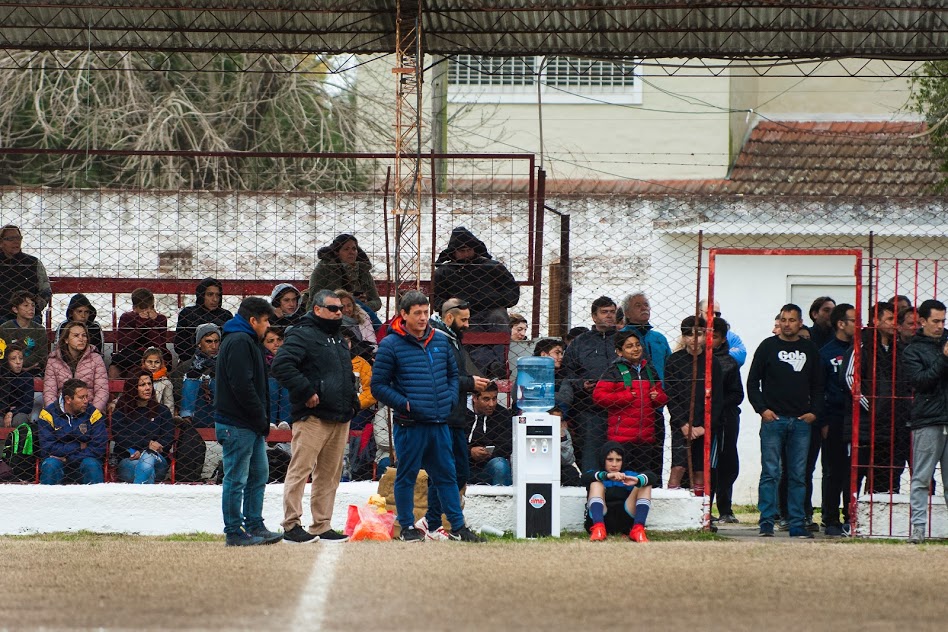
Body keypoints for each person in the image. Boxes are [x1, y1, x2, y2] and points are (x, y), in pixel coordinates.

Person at [370, 290, 483, 543]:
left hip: (440, 422)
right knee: (407, 475)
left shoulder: (440, 341)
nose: (423, 318)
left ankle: (457, 527)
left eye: (426, 312)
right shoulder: (390, 344)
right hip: (410, 424)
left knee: (447, 476)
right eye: (417, 313)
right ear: (403, 314)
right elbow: (378, 386)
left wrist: (449, 400)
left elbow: (452, 376)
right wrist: (406, 405)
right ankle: (407, 527)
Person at [271, 289, 358, 544]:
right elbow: (281, 365)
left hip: (339, 415)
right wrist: (306, 391)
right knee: (301, 469)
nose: (339, 312)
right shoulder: (302, 333)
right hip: (312, 417)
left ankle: (322, 525)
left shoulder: (338, 337)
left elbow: (344, 372)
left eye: (340, 308)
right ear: (317, 309)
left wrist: (352, 402)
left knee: (329, 475)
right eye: (333, 308)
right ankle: (291, 525)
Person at [748, 303, 824, 538]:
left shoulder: (810, 349)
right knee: (770, 473)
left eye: (792, 320)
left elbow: (819, 384)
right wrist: (762, 410)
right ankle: (766, 523)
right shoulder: (767, 347)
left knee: (798, 475)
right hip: (774, 421)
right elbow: (752, 382)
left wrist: (814, 412)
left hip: (801, 422)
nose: (787, 324)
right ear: (779, 322)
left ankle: (796, 523)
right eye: (784, 319)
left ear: (800, 323)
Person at [419, 297, 490, 539]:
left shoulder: (452, 339)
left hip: (456, 416)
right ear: (449, 317)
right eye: (464, 320)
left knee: (459, 472)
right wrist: (470, 383)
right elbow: (437, 379)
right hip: (443, 416)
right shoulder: (437, 340)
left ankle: (431, 521)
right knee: (447, 471)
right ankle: (433, 523)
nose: (468, 325)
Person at [214, 297, 282, 547]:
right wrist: (260, 417)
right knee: (237, 478)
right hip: (238, 423)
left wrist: (259, 420)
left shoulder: (246, 340)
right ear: (253, 320)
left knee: (258, 474)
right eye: (265, 321)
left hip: (248, 423)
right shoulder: (240, 341)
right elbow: (242, 385)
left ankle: (254, 525)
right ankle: (234, 531)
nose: (268, 326)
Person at [843, 302, 909, 496]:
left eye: (895, 319)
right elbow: (850, 378)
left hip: (892, 425)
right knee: (857, 473)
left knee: (886, 475)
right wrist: (870, 405)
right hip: (865, 424)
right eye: (889, 319)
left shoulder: (898, 349)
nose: (893, 323)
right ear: (875, 320)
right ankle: (850, 511)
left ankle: (882, 510)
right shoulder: (862, 346)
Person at [591, 329, 668, 486]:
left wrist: (658, 397)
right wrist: (624, 397)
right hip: (621, 436)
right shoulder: (613, 371)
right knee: (622, 477)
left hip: (646, 435)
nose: (635, 349)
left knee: (642, 476)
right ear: (619, 351)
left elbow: (662, 396)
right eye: (629, 346)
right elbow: (598, 396)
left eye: (637, 345)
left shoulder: (649, 370)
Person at [900, 299, 948, 544]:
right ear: (922, 321)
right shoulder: (912, 350)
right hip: (928, 419)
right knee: (921, 478)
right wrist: (944, 358)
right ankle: (918, 529)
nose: (940, 326)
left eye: (943, 321)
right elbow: (921, 382)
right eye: (935, 321)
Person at [664, 316, 725, 493]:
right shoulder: (674, 361)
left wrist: (705, 426)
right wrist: (683, 424)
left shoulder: (713, 362)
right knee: (678, 467)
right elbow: (671, 396)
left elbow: (717, 398)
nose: (693, 339)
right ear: (683, 337)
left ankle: (699, 505)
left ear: (706, 335)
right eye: (688, 334)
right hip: (681, 425)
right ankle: (672, 501)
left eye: (698, 334)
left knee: (700, 470)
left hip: (704, 426)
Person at [561, 296, 619, 471]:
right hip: (589, 407)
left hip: (621, 407)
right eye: (604, 312)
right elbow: (567, 370)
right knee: (591, 454)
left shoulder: (624, 340)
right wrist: (581, 384)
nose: (609, 315)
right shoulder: (580, 342)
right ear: (594, 316)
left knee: (619, 454)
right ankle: (592, 484)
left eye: (612, 312)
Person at [432, 226, 519, 330]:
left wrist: (491, 300)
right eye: (462, 251)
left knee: (498, 316)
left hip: (490, 313)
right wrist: (454, 306)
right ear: (454, 252)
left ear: (475, 249)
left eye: (469, 250)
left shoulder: (493, 267)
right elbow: (436, 300)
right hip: (459, 314)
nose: (466, 254)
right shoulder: (444, 272)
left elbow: (512, 292)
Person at [821, 303, 856, 536]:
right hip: (834, 417)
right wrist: (823, 421)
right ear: (841, 324)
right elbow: (819, 388)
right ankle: (830, 517)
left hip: (857, 417)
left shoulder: (861, 350)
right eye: (854, 321)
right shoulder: (826, 353)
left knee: (854, 470)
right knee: (833, 470)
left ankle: (851, 516)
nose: (858, 325)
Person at [582, 442, 655, 542]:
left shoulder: (628, 475)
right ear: (603, 459)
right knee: (596, 483)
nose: (614, 464)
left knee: (644, 483)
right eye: (610, 460)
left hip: (626, 520)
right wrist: (606, 476)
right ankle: (598, 529)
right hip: (602, 517)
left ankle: (638, 529)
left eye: (618, 460)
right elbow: (584, 478)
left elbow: (652, 476)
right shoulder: (597, 474)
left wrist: (638, 480)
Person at [37, 378, 106, 485]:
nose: (86, 401)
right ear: (68, 399)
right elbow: (47, 448)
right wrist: (79, 446)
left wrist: (68, 458)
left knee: (92, 464)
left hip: (82, 461)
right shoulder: (47, 414)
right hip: (58, 462)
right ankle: (48, 496)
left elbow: (98, 448)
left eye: (86, 396)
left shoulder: (94, 414)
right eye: (81, 397)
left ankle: (96, 496)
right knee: (50, 465)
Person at [111, 370, 174, 484]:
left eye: (149, 384)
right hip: (130, 458)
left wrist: (144, 451)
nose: (148, 388)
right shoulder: (122, 411)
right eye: (142, 385)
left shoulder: (162, 411)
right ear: (132, 388)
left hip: (158, 459)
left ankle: (140, 494)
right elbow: (121, 437)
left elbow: (168, 438)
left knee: (149, 458)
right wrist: (147, 445)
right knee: (146, 467)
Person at [710, 317, 745, 523]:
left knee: (726, 462)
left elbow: (737, 394)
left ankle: (725, 508)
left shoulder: (729, 363)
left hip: (725, 420)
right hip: (701, 421)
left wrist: (716, 403)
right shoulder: (693, 362)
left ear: (723, 339)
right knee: (706, 465)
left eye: (714, 336)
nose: (709, 340)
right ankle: (704, 506)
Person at [43, 321, 109, 413]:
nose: (81, 339)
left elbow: (102, 390)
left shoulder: (96, 358)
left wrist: (93, 413)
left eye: (84, 335)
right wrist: (55, 413)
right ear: (66, 339)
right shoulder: (54, 361)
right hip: (62, 410)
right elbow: (49, 392)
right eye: (76, 335)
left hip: (89, 408)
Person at [307, 234, 382, 314]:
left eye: (354, 249)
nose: (351, 252)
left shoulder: (362, 269)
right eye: (346, 249)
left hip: (359, 314)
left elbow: (377, 301)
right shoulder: (325, 267)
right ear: (337, 252)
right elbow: (313, 300)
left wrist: (359, 305)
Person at [111, 288, 170, 378]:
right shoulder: (127, 318)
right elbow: (124, 344)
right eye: (143, 308)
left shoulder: (160, 319)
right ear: (134, 308)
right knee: (114, 366)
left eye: (151, 307)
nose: (148, 310)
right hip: (131, 354)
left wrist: (152, 322)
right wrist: (141, 323)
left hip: (155, 353)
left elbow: (159, 344)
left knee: (156, 360)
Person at [171, 323, 220, 429]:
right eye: (208, 341)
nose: (214, 346)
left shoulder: (226, 364)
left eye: (216, 341)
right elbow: (176, 392)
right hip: (197, 409)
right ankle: (186, 420)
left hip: (220, 409)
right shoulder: (185, 367)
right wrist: (200, 387)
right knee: (191, 379)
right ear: (199, 343)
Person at [0, 225, 51, 323]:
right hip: (2, 315)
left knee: (31, 325)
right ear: (1, 243)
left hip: (29, 315)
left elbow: (45, 291)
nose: (16, 242)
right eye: (10, 239)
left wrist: (33, 307)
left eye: (18, 238)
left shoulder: (32, 263)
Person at [173, 278, 232, 364]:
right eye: (210, 295)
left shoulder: (226, 316)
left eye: (218, 295)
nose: (215, 299)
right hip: (191, 361)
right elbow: (180, 344)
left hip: (220, 361)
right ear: (201, 295)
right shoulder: (188, 314)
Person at [466, 382, 513, 486]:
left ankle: (501, 496)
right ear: (474, 398)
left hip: (489, 464)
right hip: (462, 464)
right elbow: (449, 443)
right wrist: (470, 452)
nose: (491, 404)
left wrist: (488, 453)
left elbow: (507, 445)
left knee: (500, 465)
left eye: (494, 399)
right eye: (486, 399)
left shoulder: (503, 415)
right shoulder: (459, 412)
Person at [620, 292, 673, 381]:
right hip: (632, 387)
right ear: (627, 313)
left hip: (661, 387)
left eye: (646, 305)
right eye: (638, 306)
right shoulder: (620, 337)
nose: (644, 308)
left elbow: (670, 367)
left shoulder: (659, 338)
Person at [0, 291, 48, 372]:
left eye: (33, 305)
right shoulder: (5, 328)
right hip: (8, 371)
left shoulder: (40, 330)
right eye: (26, 305)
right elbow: (2, 354)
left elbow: (42, 356)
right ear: (15, 309)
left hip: (34, 370)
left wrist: (28, 367)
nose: (31, 308)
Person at [698, 299, 747, 366]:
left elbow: (741, 357)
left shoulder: (730, 336)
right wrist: (725, 353)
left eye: (717, 314)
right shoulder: (691, 333)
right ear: (699, 313)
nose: (714, 316)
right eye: (709, 313)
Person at [262, 327, 291, 430]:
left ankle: (285, 422)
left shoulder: (291, 356)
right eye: (270, 341)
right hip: (268, 385)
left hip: (285, 384)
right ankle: (271, 422)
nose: (276, 344)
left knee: (287, 384)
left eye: (279, 339)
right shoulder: (260, 358)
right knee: (272, 385)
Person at [1, 343, 34, 428]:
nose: (18, 362)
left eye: (21, 358)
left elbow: (28, 404)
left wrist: (12, 412)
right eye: (13, 359)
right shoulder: (2, 376)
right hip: (1, 411)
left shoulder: (27, 377)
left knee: (19, 421)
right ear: (7, 361)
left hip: (19, 412)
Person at [142, 347, 174, 412]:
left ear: (161, 364)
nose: (153, 365)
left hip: (158, 414)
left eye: (157, 362)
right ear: (144, 362)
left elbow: (169, 404)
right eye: (149, 362)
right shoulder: (138, 378)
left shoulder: (165, 382)